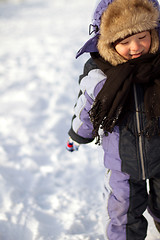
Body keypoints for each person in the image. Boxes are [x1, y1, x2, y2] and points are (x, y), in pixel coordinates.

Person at [67, 0, 160, 239]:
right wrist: (78, 135)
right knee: (124, 215)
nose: (136, 47)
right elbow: (86, 110)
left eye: (142, 37)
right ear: (109, 43)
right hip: (123, 164)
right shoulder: (100, 76)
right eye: (125, 41)